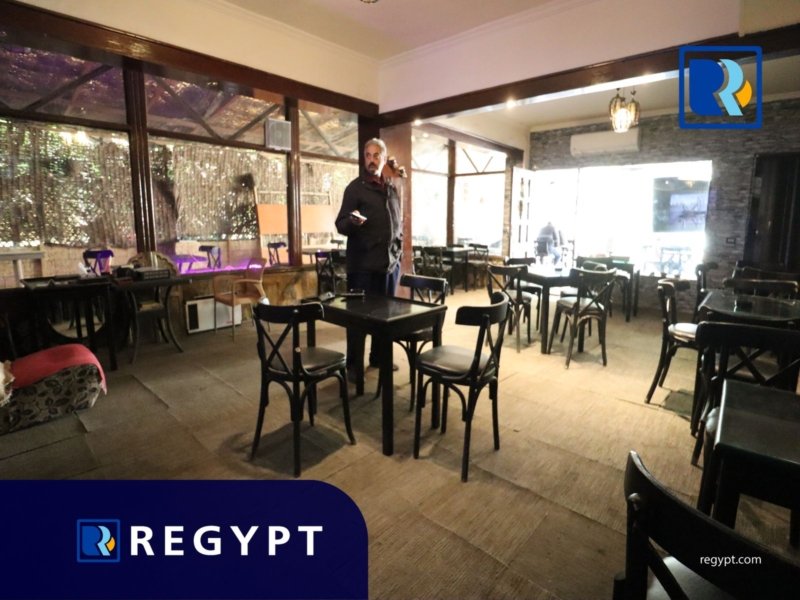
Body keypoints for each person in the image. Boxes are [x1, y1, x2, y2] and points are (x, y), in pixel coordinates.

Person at [335, 138, 404, 380]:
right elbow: (340, 224)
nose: (371, 160)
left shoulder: (391, 189)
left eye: (376, 155)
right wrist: (353, 221)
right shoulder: (355, 189)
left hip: (388, 266)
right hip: (362, 266)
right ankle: (354, 366)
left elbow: (398, 223)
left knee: (384, 318)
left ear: (383, 159)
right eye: (367, 155)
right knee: (358, 320)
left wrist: (398, 250)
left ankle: (379, 357)